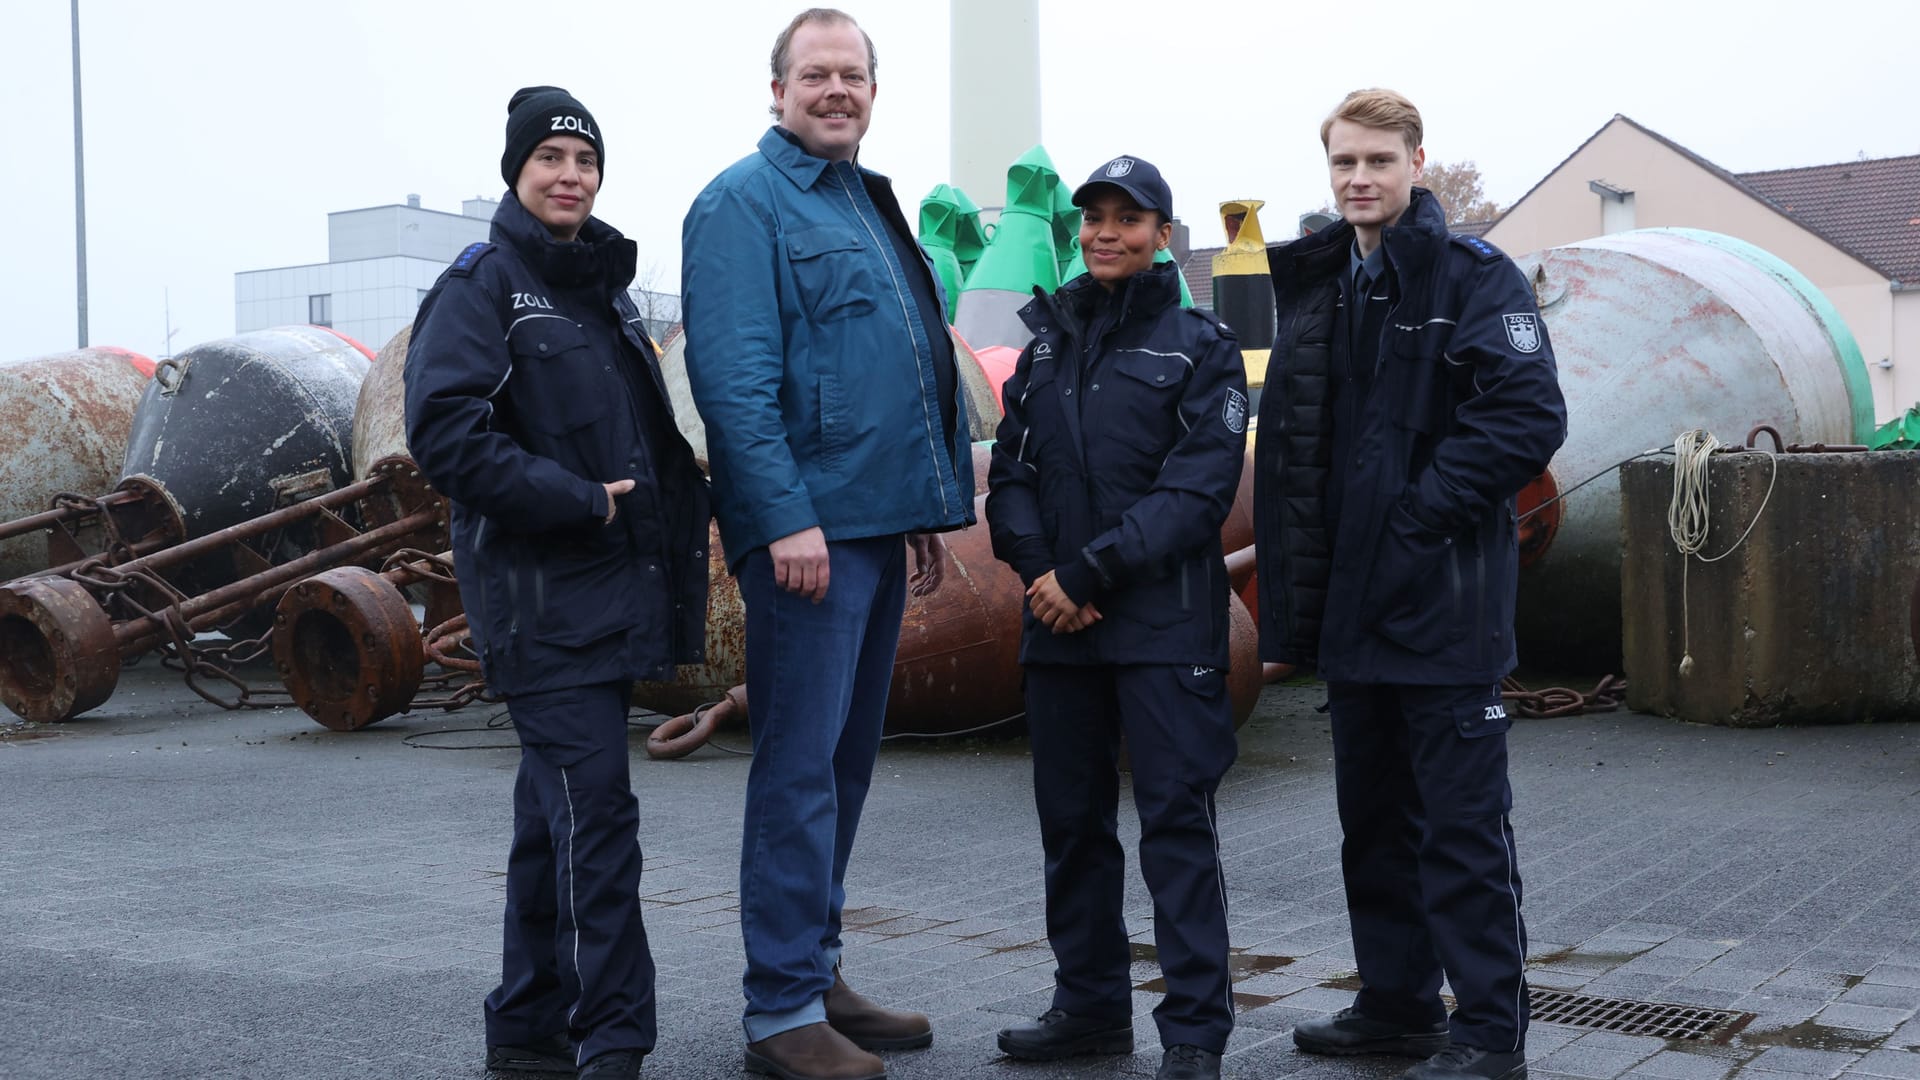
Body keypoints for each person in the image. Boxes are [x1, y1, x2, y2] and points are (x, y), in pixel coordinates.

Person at [678, 9, 974, 1080]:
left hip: (871, 526)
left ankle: (818, 970)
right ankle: (780, 1011)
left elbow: (910, 368)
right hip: (807, 536)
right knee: (798, 768)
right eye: (816, 75)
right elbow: (735, 383)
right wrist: (788, 515)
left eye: (853, 75)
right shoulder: (741, 205)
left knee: (844, 766)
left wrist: (923, 514)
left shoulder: (864, 200)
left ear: (872, 92)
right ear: (777, 89)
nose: (836, 90)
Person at [1252, 88, 1568, 1080]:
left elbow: (1527, 418)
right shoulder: (1322, 283)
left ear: (1417, 163)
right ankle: (1395, 1004)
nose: (1360, 178)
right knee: (1374, 827)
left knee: (1463, 835)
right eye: (1344, 162)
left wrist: (1420, 515)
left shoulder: (1471, 278)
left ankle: (1485, 1032)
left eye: (1379, 162)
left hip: (1443, 604)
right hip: (1352, 610)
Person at [404, 86, 710, 1080]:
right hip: (544, 608)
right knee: (599, 824)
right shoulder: (482, 286)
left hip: (605, 602)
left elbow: (648, 453)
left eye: (584, 161)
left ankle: (528, 1028)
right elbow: (446, 434)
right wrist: (578, 501)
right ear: (517, 172)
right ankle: (613, 1043)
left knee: (553, 821)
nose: (570, 175)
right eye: (551, 159)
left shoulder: (599, 293)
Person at [985, 156, 1248, 1080]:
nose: (1106, 232)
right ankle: (1089, 1007)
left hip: (1164, 632)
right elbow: (1010, 476)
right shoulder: (1045, 346)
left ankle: (1194, 1032)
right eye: (1093, 216)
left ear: (1162, 237)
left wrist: (1089, 570)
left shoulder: (1200, 347)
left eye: (1128, 219)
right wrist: (1042, 574)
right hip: (1059, 629)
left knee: (1175, 823)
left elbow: (1197, 491)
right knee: (1074, 824)